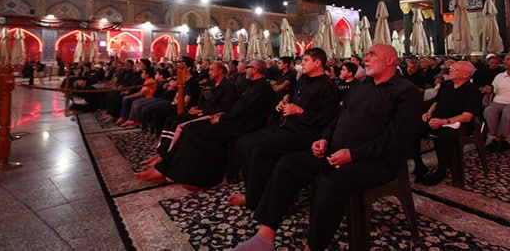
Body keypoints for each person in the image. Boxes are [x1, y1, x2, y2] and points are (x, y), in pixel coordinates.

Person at [231, 44, 421, 251]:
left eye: (372, 54)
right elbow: (339, 117)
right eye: (366, 54)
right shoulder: (362, 86)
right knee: (288, 164)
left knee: (329, 183)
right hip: (336, 151)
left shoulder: (406, 92)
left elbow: (396, 139)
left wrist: (353, 154)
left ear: (390, 60)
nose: (365, 59)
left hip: (375, 160)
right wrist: (324, 139)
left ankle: (314, 246)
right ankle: (264, 237)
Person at [228, 48, 340, 210]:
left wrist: (300, 111)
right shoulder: (303, 80)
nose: (302, 63)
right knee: (244, 142)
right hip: (286, 127)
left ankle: (261, 198)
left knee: (260, 150)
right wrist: (284, 102)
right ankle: (253, 192)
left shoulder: (327, 87)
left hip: (305, 134)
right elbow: (290, 97)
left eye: (306, 60)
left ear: (317, 63)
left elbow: (327, 118)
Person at [135, 59, 275, 187]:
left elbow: (246, 111)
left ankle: (198, 179)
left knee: (198, 134)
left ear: (255, 70)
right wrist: (223, 115)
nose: (245, 69)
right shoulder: (253, 85)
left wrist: (223, 117)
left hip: (243, 125)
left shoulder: (262, 88)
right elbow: (239, 108)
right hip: (234, 120)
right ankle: (166, 169)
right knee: (189, 128)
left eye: (248, 67)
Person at [414, 60, 481, 185]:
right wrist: (428, 113)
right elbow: (437, 102)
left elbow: (467, 116)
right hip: (439, 118)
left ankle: (442, 169)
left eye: (454, 69)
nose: (450, 69)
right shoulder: (446, 85)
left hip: (459, 123)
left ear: (465, 74)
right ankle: (419, 164)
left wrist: (444, 122)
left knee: (445, 135)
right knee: (413, 129)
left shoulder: (472, 90)